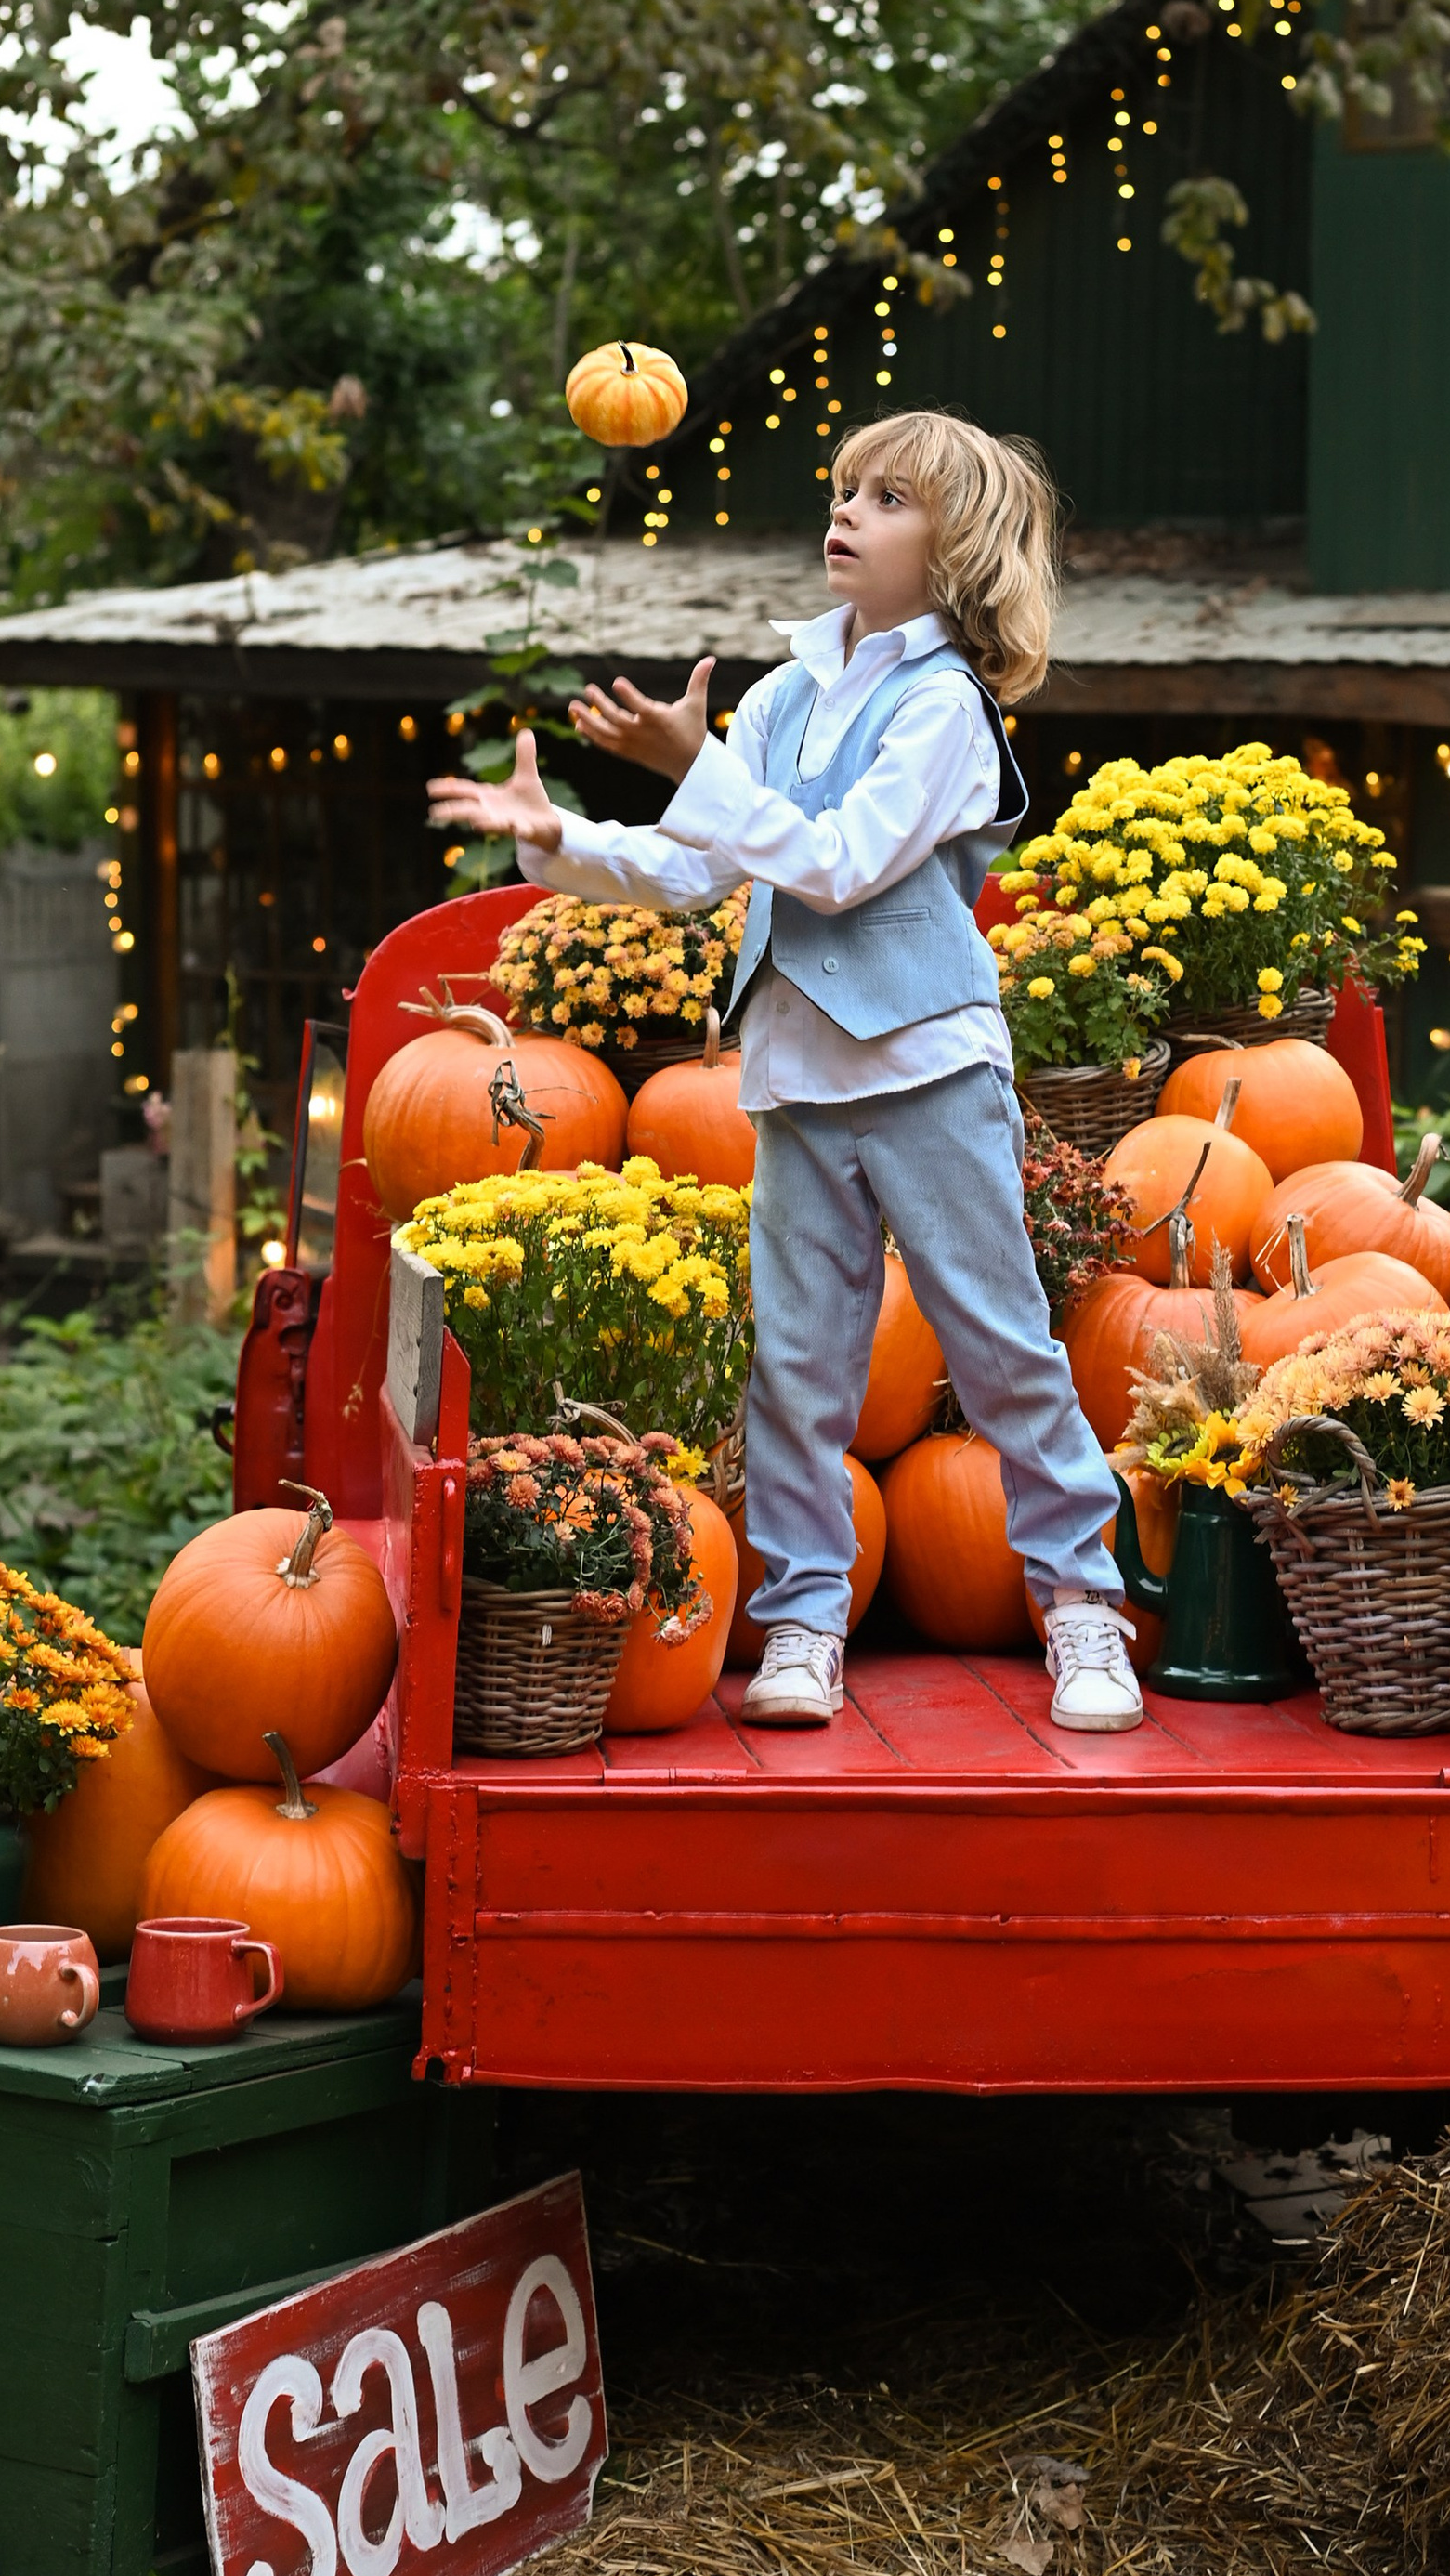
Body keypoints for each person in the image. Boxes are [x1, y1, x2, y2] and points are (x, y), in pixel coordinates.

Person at [426, 412, 1143, 1735]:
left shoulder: (945, 708)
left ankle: (1083, 1605)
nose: (847, 511)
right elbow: (698, 868)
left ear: (961, 546)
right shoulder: (781, 698)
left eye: (888, 497)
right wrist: (559, 835)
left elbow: (837, 864)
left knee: (1001, 1352)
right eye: (844, 489)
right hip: (798, 1078)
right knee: (798, 1374)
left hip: (926, 1068)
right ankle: (805, 1617)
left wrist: (694, 766)